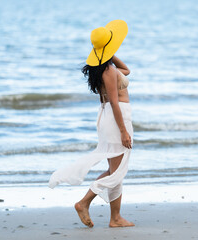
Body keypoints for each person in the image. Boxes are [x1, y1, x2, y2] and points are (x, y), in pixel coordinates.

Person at [48, 20, 134, 228]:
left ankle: (115, 218)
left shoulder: (103, 68)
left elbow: (127, 70)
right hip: (117, 117)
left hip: (106, 117)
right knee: (117, 171)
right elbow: (114, 102)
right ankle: (84, 202)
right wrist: (123, 131)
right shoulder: (108, 71)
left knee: (115, 169)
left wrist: (106, 52)